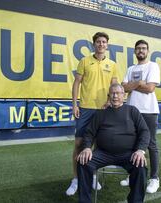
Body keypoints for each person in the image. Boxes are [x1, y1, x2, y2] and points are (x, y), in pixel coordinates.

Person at [77, 83, 150, 203]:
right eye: (112, 93)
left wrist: (140, 150)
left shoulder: (132, 111)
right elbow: (89, 133)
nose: (115, 96)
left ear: (124, 95)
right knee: (83, 161)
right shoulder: (101, 113)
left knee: (140, 167)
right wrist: (86, 148)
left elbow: (145, 132)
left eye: (118, 93)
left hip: (128, 154)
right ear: (109, 95)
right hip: (103, 154)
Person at [66, 32, 118, 196]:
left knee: (97, 146)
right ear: (94, 44)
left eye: (104, 42)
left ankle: (93, 176)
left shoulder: (112, 64)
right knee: (79, 145)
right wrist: (75, 104)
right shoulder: (84, 61)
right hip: (86, 109)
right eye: (98, 42)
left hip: (104, 110)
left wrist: (110, 101)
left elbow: (115, 85)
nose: (101, 44)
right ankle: (76, 179)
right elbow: (76, 83)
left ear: (107, 45)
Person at [121, 39, 161, 193]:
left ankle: (154, 178)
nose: (141, 51)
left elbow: (150, 88)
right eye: (138, 49)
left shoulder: (153, 66)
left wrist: (134, 84)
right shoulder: (131, 68)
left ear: (147, 51)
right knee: (132, 143)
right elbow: (124, 87)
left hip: (149, 110)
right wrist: (139, 83)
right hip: (132, 110)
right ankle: (133, 175)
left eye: (143, 48)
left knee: (151, 144)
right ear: (135, 51)